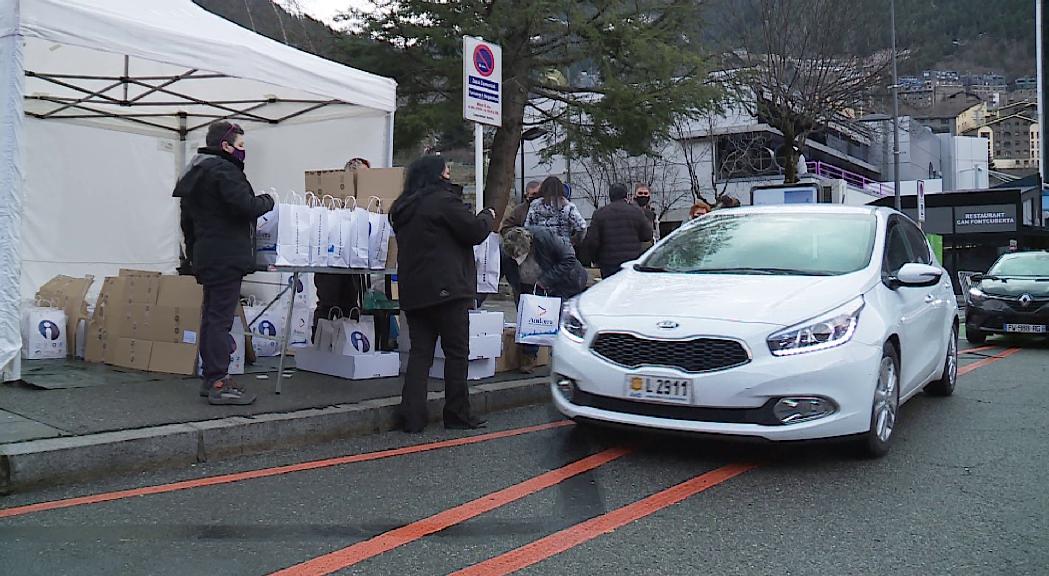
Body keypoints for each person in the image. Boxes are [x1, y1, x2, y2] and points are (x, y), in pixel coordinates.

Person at [389, 155, 496, 433]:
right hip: (448, 288)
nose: (450, 174)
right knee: (456, 353)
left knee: (420, 354)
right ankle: (457, 415)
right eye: (447, 170)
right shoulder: (443, 201)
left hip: (414, 290)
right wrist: (487, 216)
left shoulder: (401, 207)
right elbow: (473, 232)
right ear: (437, 174)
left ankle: (412, 417)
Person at [174, 121, 274, 405]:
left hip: (207, 254)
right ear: (226, 146)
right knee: (220, 319)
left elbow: (187, 223)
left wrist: (194, 256)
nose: (243, 152)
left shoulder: (194, 172)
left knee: (211, 317)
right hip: (226, 254)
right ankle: (219, 380)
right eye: (240, 146)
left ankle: (211, 378)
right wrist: (269, 201)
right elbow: (247, 206)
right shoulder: (223, 170)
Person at [502, 226, 588, 373]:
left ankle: (564, 359)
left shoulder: (543, 238)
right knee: (529, 320)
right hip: (528, 286)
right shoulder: (506, 252)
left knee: (561, 320)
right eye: (513, 257)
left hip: (562, 282)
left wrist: (545, 281)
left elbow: (569, 258)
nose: (516, 260)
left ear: (527, 247)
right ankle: (529, 356)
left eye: (519, 255)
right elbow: (498, 275)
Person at [312, 157, 370, 341]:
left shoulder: (367, 198)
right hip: (330, 257)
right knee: (328, 303)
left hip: (353, 259)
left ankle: (346, 345)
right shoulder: (333, 194)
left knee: (351, 304)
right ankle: (320, 344)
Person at [581, 183, 653, 279]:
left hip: (608, 263)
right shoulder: (636, 212)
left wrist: (595, 259)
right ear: (626, 195)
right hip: (631, 262)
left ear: (610, 196)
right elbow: (647, 235)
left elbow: (592, 241)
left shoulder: (600, 214)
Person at [523, 176, 587, 245]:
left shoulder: (535, 206)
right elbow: (582, 227)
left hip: (541, 248)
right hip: (563, 247)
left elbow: (527, 228)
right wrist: (573, 241)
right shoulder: (568, 207)